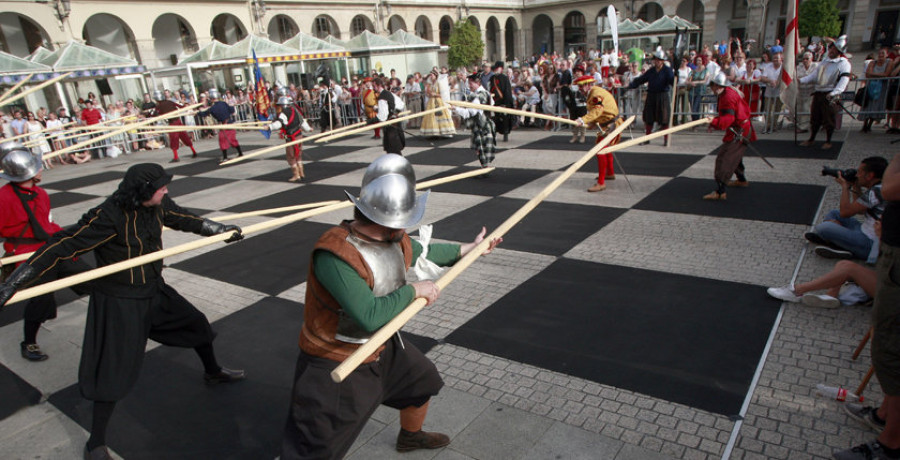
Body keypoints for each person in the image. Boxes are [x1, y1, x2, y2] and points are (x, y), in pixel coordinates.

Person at [0, 163, 246, 460]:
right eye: (161, 187)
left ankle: (213, 372)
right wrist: (12, 283)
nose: (166, 190)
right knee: (113, 372)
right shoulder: (108, 216)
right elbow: (59, 247)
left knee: (196, 325)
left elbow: (182, 218)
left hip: (153, 289)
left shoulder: (158, 203)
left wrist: (218, 230)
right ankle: (95, 442)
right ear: (144, 190)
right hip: (120, 300)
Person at [281, 154, 501, 459]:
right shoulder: (335, 254)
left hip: (382, 345)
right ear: (389, 222)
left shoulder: (394, 239)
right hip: (337, 358)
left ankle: (410, 437)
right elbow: (369, 316)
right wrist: (413, 291)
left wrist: (471, 249)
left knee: (423, 381)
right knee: (315, 446)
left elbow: (425, 250)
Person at [833, 154, 900, 460]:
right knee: (886, 343)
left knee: (890, 347)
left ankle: (890, 443)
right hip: (887, 253)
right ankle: (884, 416)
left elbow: (891, 188)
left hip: (889, 260)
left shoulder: (884, 185)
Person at [0, 143, 92, 361]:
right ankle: (29, 342)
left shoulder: (40, 193)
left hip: (52, 248)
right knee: (40, 301)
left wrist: (70, 241)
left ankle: (113, 322)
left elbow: (47, 224)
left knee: (92, 281)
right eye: (37, 166)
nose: (41, 168)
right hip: (27, 254)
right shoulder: (3, 198)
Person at [805, 156, 888, 262]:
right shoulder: (880, 187)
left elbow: (845, 212)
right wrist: (855, 186)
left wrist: (845, 187)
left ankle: (840, 246)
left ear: (870, 176)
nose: (857, 175)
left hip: (869, 243)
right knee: (834, 213)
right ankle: (837, 241)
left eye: (859, 172)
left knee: (823, 227)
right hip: (863, 229)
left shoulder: (876, 192)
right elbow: (861, 210)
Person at [703, 72, 757, 201]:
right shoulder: (724, 93)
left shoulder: (728, 96)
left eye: (714, 85)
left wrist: (713, 122)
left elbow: (727, 119)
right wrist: (714, 122)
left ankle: (720, 191)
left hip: (740, 131)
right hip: (739, 128)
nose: (712, 88)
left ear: (718, 86)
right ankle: (742, 180)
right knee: (735, 156)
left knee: (724, 158)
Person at [798, 36, 852, 150]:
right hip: (819, 92)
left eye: (834, 49)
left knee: (829, 119)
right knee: (815, 118)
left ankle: (828, 141)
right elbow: (814, 76)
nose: (831, 51)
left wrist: (835, 93)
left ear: (839, 51)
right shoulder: (824, 61)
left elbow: (844, 80)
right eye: (830, 49)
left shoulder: (843, 63)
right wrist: (800, 81)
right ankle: (811, 139)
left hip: (830, 94)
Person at [574, 75, 621, 193]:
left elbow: (598, 109)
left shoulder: (595, 94)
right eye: (579, 86)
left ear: (588, 85)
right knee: (606, 149)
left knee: (601, 151)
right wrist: (592, 123)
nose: (580, 89)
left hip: (612, 124)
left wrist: (583, 120)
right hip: (606, 123)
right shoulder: (593, 93)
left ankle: (601, 183)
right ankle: (610, 173)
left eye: (582, 86)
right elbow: (599, 112)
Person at [627, 50, 675, 145]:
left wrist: (675, 76)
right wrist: (631, 85)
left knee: (664, 119)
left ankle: (666, 139)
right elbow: (642, 79)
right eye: (656, 60)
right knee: (649, 118)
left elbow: (672, 81)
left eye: (659, 60)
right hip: (652, 95)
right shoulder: (651, 71)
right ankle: (647, 138)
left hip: (663, 96)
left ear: (663, 61)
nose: (657, 62)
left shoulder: (667, 71)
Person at [454, 72, 497, 169]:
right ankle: (485, 168)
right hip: (487, 124)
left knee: (481, 149)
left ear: (477, 82)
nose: (469, 86)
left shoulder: (477, 97)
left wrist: (455, 109)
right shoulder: (486, 93)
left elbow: (470, 113)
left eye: (471, 83)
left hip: (481, 126)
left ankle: (485, 169)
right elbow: (492, 105)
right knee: (482, 149)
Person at [269, 96, 313, 182]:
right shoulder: (295, 110)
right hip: (299, 136)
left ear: (282, 105)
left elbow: (279, 124)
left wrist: (269, 127)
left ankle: (296, 175)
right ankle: (301, 173)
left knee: (291, 156)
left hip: (291, 138)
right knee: (298, 154)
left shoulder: (283, 113)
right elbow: (302, 122)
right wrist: (308, 129)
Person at [151, 90, 198, 162]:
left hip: (172, 123)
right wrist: (185, 105)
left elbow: (156, 115)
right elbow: (181, 107)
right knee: (184, 137)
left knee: (174, 140)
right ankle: (194, 152)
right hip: (178, 121)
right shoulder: (170, 102)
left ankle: (176, 157)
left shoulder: (159, 106)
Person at [199, 88, 244, 162]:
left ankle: (226, 157)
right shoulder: (223, 103)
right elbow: (232, 110)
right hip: (230, 123)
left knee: (223, 140)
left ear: (211, 98)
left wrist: (197, 113)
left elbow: (204, 114)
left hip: (225, 125)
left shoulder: (213, 108)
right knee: (232, 139)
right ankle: (240, 153)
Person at [420, 72, 456, 138]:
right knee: (431, 116)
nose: (431, 76)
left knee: (441, 115)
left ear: (436, 76)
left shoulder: (439, 83)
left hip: (438, 100)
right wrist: (429, 94)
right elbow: (427, 93)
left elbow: (443, 94)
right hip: (431, 101)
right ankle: (433, 132)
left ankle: (445, 131)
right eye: (430, 75)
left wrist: (435, 94)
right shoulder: (430, 84)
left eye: (432, 75)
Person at [489, 61, 514, 142]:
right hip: (495, 102)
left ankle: (505, 133)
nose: (495, 70)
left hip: (503, 102)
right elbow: (490, 89)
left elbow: (507, 92)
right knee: (495, 118)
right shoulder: (492, 78)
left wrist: (506, 104)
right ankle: (494, 133)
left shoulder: (505, 78)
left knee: (505, 119)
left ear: (501, 69)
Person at [795, 52, 818, 134]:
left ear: (811, 59)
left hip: (811, 91)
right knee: (799, 108)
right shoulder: (799, 67)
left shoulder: (815, 66)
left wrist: (803, 79)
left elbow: (815, 78)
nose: (805, 60)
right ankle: (800, 124)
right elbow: (795, 77)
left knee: (806, 108)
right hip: (800, 91)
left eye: (807, 59)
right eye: (803, 59)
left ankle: (803, 127)